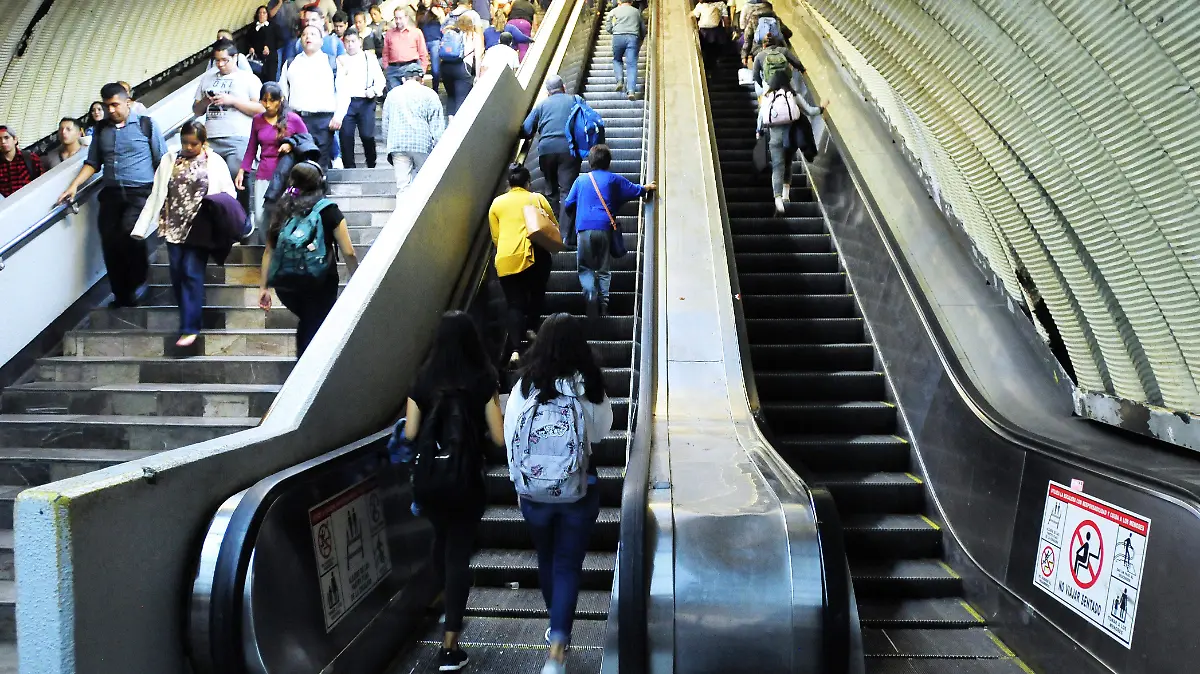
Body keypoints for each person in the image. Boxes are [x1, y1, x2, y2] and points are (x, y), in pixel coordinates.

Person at [504, 312, 613, 674]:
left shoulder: (524, 386)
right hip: (577, 491)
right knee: (567, 564)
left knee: (547, 559)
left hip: (533, 493)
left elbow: (511, 438)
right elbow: (600, 433)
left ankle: (556, 628)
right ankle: (556, 649)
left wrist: (520, 483)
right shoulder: (588, 385)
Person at [401, 310, 504, 673]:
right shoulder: (482, 379)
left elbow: (411, 434)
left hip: (430, 482)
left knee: (442, 544)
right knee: (459, 554)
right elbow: (499, 437)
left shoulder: (423, 380)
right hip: (466, 481)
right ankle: (450, 644)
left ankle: (448, 608)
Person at [58, 82, 167, 307]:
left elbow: (162, 161)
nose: (111, 111)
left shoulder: (146, 125)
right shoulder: (101, 130)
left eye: (115, 105)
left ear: (128, 103)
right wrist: (74, 186)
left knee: (131, 233)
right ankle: (121, 293)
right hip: (112, 193)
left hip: (140, 192)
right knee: (110, 240)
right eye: (107, 106)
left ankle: (139, 283)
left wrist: (166, 195)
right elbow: (93, 162)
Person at [133, 121, 238, 347]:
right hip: (172, 225)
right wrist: (141, 227)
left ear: (203, 142)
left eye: (194, 144)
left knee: (191, 271)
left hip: (201, 227)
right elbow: (157, 193)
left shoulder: (214, 162)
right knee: (177, 273)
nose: (189, 147)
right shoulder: (169, 160)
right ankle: (190, 318)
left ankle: (190, 327)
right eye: (185, 143)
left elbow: (229, 194)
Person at [258, 162, 358, 355]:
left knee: (308, 321)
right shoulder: (328, 210)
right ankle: (307, 375)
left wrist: (264, 287)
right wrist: (356, 277)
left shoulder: (283, 207)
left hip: (286, 284)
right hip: (320, 281)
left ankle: (306, 368)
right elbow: (349, 251)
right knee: (313, 325)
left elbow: (269, 250)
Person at [563, 144, 654, 317]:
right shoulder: (613, 179)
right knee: (604, 269)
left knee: (585, 267)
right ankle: (604, 305)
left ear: (590, 162)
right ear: (608, 162)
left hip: (584, 228)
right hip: (605, 227)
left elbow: (568, 204)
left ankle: (590, 295)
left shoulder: (581, 180)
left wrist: (578, 217)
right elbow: (634, 190)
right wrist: (646, 188)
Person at [489, 163, 555, 364]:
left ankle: (515, 350)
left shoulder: (497, 204)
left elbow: (496, 237)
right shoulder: (537, 198)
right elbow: (552, 225)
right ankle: (532, 328)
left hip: (506, 258)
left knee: (514, 304)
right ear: (528, 182)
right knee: (537, 292)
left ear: (509, 183)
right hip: (534, 256)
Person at [195, 38, 265, 211]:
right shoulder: (207, 78)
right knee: (209, 180)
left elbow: (261, 109)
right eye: (217, 60)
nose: (220, 65)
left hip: (238, 136)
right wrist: (206, 100)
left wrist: (232, 101)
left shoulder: (248, 79)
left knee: (237, 175)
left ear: (236, 58)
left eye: (224, 60)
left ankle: (244, 216)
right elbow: (196, 110)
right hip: (211, 137)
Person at [238, 82, 308, 237]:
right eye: (264, 100)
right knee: (261, 217)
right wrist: (243, 170)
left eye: (272, 100)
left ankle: (282, 251)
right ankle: (268, 250)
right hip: (264, 174)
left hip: (288, 177)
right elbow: (251, 148)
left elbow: (307, 142)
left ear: (280, 100)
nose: (267, 105)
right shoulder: (257, 120)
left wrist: (291, 145)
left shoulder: (293, 119)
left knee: (286, 215)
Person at [757, 75, 823, 214]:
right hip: (790, 139)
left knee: (777, 166)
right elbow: (810, 111)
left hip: (775, 140)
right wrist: (822, 108)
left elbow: (761, 118)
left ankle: (778, 198)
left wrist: (759, 132)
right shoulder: (793, 95)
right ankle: (786, 195)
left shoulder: (767, 98)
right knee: (787, 164)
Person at [521, 75, 580, 229]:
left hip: (546, 151)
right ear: (564, 88)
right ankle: (566, 235)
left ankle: (553, 230)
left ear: (548, 92)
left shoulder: (541, 106)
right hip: (569, 149)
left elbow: (526, 130)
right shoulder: (575, 100)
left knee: (551, 189)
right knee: (567, 191)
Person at [281, 25, 342, 168]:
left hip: (323, 120)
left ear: (321, 41)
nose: (308, 37)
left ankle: (320, 190)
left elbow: (342, 91)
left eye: (313, 34)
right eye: (304, 34)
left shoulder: (331, 62)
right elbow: (283, 93)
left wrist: (338, 116)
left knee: (320, 165)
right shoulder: (291, 63)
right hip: (297, 119)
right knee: (299, 164)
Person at [382, 63, 445, 192]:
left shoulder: (393, 94)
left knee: (403, 186)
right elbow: (437, 125)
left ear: (404, 79)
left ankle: (403, 211)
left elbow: (385, 125)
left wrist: (388, 144)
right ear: (421, 80)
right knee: (425, 185)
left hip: (397, 144)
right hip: (422, 144)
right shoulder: (430, 94)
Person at [337, 31, 387, 168]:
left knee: (367, 135)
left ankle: (371, 162)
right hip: (347, 102)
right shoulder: (340, 59)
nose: (350, 45)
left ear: (359, 41)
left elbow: (380, 80)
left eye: (353, 41)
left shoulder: (368, 57)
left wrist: (374, 90)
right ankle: (349, 167)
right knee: (346, 135)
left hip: (365, 100)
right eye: (347, 41)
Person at [440, 15, 483, 116]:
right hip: (462, 68)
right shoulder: (474, 36)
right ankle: (458, 128)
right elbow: (478, 57)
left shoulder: (451, 33)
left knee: (451, 97)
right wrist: (477, 76)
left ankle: (450, 123)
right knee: (461, 99)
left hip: (445, 67)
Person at [382, 6, 431, 90]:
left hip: (411, 69)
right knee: (395, 98)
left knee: (412, 97)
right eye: (396, 18)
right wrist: (387, 68)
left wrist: (421, 72)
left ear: (407, 18)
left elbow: (423, 54)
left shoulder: (416, 32)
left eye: (400, 18)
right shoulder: (389, 33)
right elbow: (385, 53)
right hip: (393, 70)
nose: (398, 21)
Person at [605, 0, 644, 99]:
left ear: (619, 1)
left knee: (617, 60)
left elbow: (608, 26)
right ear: (631, 1)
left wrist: (614, 32)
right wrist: (641, 38)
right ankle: (631, 91)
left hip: (618, 37)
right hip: (632, 37)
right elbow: (643, 29)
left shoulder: (613, 12)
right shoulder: (636, 12)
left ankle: (619, 81)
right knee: (632, 64)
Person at [0, 126, 41, 197]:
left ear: (15, 139)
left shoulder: (30, 158)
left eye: (6, 138)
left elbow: (42, 182)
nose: (3, 142)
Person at [691, 0, 729, 69]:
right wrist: (727, 30)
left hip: (704, 32)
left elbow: (694, 15)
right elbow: (725, 18)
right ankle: (716, 63)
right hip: (716, 31)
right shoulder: (721, 4)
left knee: (706, 50)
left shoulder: (701, 5)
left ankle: (708, 67)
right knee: (715, 50)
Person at [248, 5, 281, 79]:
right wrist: (251, 47)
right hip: (257, 57)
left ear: (267, 15)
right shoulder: (253, 28)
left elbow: (280, 41)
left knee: (271, 77)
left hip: (271, 57)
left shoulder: (274, 27)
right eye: (259, 13)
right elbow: (248, 40)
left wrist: (269, 48)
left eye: (264, 13)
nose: (261, 15)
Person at [416, 5, 444, 90]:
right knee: (419, 66)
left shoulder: (437, 9)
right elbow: (416, 26)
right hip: (423, 41)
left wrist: (438, 15)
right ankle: (420, 88)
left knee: (435, 69)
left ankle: (435, 89)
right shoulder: (420, 10)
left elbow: (444, 23)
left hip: (435, 40)